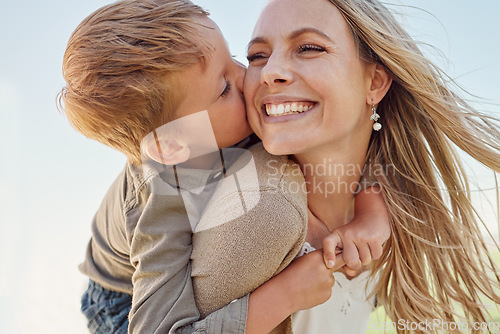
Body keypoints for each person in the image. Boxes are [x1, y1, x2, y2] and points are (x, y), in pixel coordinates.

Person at [57, 0, 390, 333]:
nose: (248, 80)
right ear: (173, 146)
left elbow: (346, 148)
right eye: (225, 88)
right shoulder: (164, 192)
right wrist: (282, 297)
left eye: (236, 60)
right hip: (120, 301)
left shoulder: (203, 126)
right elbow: (152, 326)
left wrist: (371, 208)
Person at [214, 0, 498, 332]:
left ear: (375, 82)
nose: (270, 72)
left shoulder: (386, 217)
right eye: (257, 56)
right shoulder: (240, 209)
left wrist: (376, 204)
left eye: (308, 48)